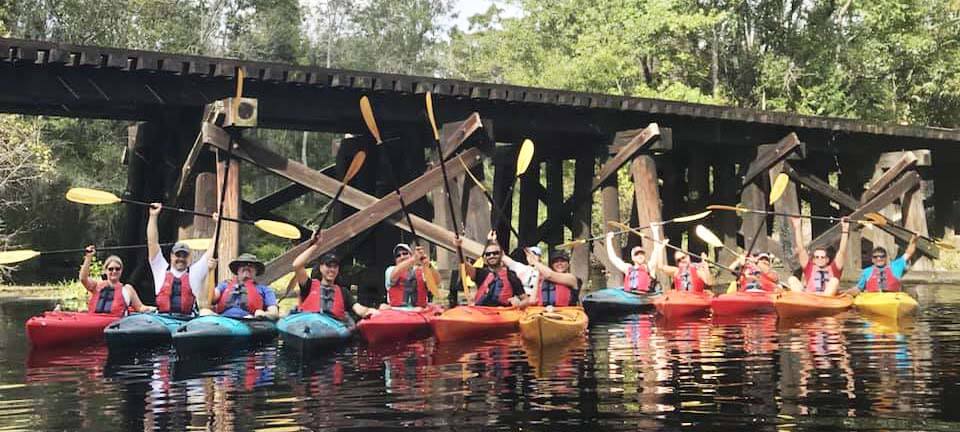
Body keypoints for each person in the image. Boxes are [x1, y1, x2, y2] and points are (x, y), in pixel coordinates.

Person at [147, 203, 217, 314]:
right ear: (171, 256)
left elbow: (212, 250)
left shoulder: (195, 272)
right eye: (178, 255)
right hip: (163, 320)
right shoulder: (160, 269)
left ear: (189, 258)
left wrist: (217, 225)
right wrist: (153, 216)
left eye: (184, 256)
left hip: (186, 321)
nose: (181, 259)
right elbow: (152, 243)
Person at [292, 233, 378, 320]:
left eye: (335, 266)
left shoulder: (344, 292)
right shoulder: (308, 285)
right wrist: (315, 245)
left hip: (333, 331)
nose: (332, 269)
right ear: (321, 268)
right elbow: (297, 265)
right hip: (308, 329)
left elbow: (358, 308)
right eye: (328, 265)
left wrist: (369, 311)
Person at [454, 231, 525, 307]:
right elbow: (464, 265)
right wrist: (458, 248)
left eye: (495, 253)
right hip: (482, 313)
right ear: (485, 257)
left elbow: (526, 299)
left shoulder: (511, 275)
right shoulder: (481, 273)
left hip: (503, 313)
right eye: (488, 254)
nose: (491, 256)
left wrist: (520, 304)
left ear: (501, 255)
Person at [787, 217, 850, 296]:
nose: (819, 259)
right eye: (817, 257)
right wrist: (797, 226)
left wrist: (845, 229)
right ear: (813, 260)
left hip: (827, 297)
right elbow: (801, 249)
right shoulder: (809, 267)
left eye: (822, 257)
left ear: (827, 260)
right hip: (810, 297)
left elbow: (842, 252)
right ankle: (801, 300)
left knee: (834, 280)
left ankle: (823, 298)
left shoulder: (834, 268)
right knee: (792, 279)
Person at [80, 246, 152, 315]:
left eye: (117, 269)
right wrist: (88, 257)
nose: (114, 271)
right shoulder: (96, 286)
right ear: (105, 271)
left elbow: (140, 307)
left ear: (121, 271)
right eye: (111, 269)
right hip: (94, 321)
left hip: (116, 325)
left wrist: (154, 309)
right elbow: (83, 279)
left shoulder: (128, 290)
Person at [211, 253, 279, 320]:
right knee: (204, 311)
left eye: (251, 265)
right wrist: (210, 271)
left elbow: (274, 313)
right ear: (237, 270)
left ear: (256, 271)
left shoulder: (265, 290)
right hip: (223, 320)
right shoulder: (224, 285)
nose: (246, 267)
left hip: (249, 321)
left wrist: (263, 314)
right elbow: (211, 298)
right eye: (242, 265)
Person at [379, 243, 440, 311]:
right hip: (397, 311)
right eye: (398, 255)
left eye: (405, 253)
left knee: (420, 309)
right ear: (395, 260)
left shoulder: (422, 270)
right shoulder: (390, 270)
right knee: (383, 307)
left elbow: (436, 282)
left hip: (419, 311)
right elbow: (394, 275)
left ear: (410, 255)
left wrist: (428, 265)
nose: (402, 257)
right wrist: (414, 259)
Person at [852, 235, 918, 294]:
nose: (879, 259)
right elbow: (858, 288)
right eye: (875, 257)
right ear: (872, 259)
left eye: (882, 256)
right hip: (872, 300)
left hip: (894, 299)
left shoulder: (896, 266)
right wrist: (846, 293)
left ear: (886, 258)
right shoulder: (866, 271)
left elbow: (909, 253)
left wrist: (914, 240)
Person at [604, 226, 662, 294]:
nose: (640, 256)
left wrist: (655, 231)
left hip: (645, 297)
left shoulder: (649, 267)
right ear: (633, 258)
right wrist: (609, 240)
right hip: (630, 297)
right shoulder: (627, 268)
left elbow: (656, 250)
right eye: (637, 254)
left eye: (642, 254)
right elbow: (613, 258)